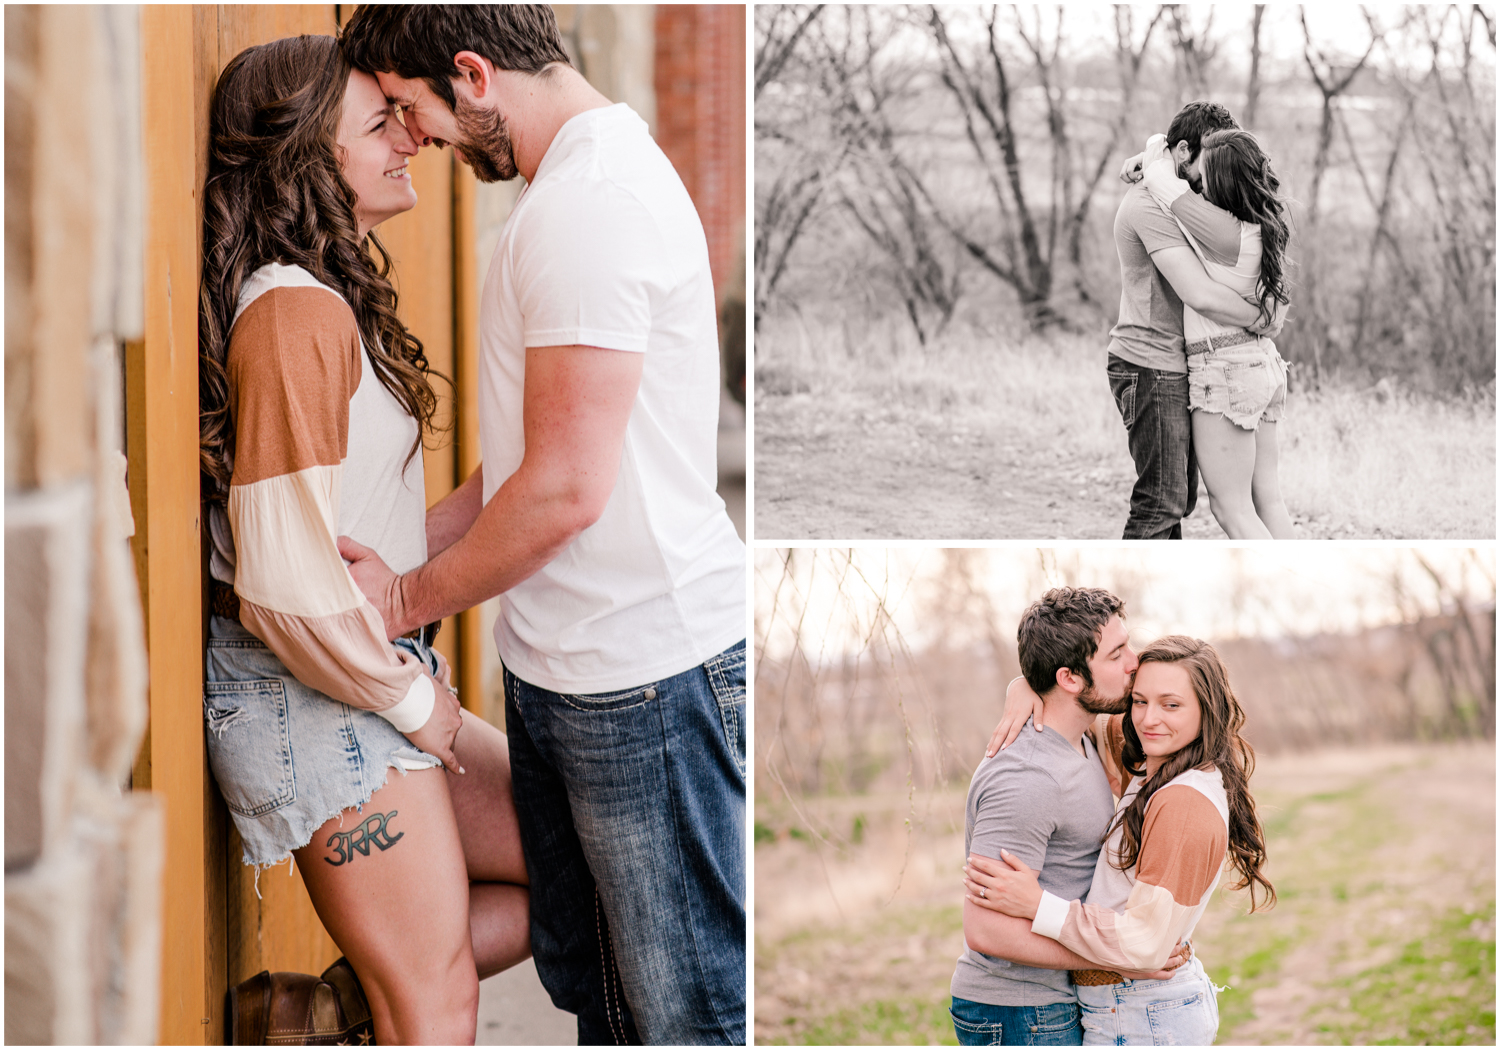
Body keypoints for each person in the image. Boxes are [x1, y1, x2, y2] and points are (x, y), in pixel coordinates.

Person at [335, 7, 748, 1044]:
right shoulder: (572, 192)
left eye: (412, 106)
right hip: (574, 672)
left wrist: (404, 601)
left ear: (472, 75)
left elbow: (565, 488)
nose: (414, 133)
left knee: (687, 1014)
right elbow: (524, 465)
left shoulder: (589, 206)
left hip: (644, 680)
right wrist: (404, 551)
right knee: (606, 1004)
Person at [197, 35, 530, 1045]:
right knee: (436, 1012)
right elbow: (286, 587)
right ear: (307, 158)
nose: (410, 140)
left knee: (587, 862)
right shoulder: (290, 316)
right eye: (379, 124)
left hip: (361, 673)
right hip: (319, 690)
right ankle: (357, 1007)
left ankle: (321, 1013)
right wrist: (411, 696)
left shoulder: (324, 303)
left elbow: (352, 532)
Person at [970, 636, 1276, 1045]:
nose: (1149, 719)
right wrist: (1024, 686)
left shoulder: (1184, 802)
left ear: (1208, 709)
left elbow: (1146, 944)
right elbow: (1077, 704)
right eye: (1140, 701)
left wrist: (1037, 904)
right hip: (1127, 1007)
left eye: (1172, 704)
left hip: (1142, 1014)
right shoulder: (1153, 763)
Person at [950, 589, 1189, 1046]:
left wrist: (1021, 684)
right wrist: (1119, 960)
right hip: (1021, 1010)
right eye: (1117, 653)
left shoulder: (1083, 737)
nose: (1133, 662)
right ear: (1071, 679)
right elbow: (986, 929)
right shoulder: (1028, 776)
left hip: (1050, 1000)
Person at [1107, 101, 1285, 540]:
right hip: (1152, 362)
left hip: (1198, 364)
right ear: (1184, 152)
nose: (1212, 172)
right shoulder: (1153, 206)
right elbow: (1200, 294)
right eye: (1208, 157)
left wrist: (1151, 155)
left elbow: (1169, 167)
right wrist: (1263, 319)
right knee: (1165, 500)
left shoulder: (1206, 212)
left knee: (1180, 501)